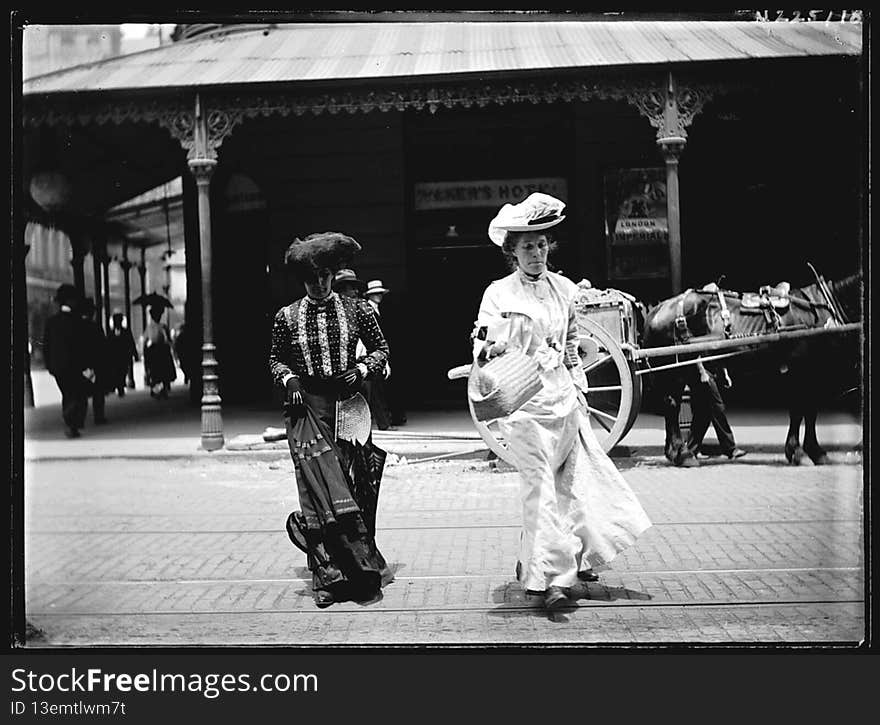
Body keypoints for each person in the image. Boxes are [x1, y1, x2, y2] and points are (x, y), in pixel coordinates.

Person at [473, 192, 652, 612]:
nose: (536, 253)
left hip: (563, 404)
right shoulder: (498, 294)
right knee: (539, 489)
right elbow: (481, 341)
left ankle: (543, 564)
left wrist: (578, 385)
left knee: (565, 488)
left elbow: (572, 344)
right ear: (511, 252)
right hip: (525, 407)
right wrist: (490, 351)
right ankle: (549, 581)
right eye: (526, 246)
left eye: (541, 244)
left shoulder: (566, 290)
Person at [269, 231, 394, 608]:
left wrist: (361, 369)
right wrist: (289, 380)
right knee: (316, 493)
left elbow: (382, 350)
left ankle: (363, 569)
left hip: (349, 407)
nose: (319, 283)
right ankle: (327, 576)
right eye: (311, 278)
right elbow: (276, 360)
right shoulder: (286, 317)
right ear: (302, 279)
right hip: (309, 409)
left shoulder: (358, 311)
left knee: (354, 486)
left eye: (324, 275)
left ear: (334, 273)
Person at [42, 284, 89, 438]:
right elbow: (83, 346)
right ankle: (72, 422)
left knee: (67, 393)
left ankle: (71, 422)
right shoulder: (78, 322)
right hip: (75, 366)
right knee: (76, 394)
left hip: (58, 367)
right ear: (70, 301)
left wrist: (49, 365)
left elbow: (46, 346)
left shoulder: (51, 322)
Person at [685, 361, 747, 460]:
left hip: (711, 372)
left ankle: (691, 450)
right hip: (702, 373)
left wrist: (725, 374)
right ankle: (730, 449)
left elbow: (718, 353)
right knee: (717, 409)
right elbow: (696, 353)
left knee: (703, 413)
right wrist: (702, 372)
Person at [362, 279, 394, 430]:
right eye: (376, 293)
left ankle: (383, 422)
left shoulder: (378, 309)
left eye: (380, 293)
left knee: (377, 390)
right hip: (370, 355)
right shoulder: (368, 310)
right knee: (375, 391)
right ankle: (383, 424)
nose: (379, 296)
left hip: (377, 353)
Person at [79, 298, 109, 424]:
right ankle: (99, 415)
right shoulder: (96, 327)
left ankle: (79, 418)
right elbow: (103, 346)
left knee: (81, 391)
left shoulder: (77, 327)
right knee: (98, 391)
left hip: (81, 363)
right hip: (96, 363)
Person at [142, 305, 177, 399]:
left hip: (162, 351)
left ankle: (163, 389)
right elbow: (146, 341)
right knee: (155, 372)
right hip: (154, 352)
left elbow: (168, 340)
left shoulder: (163, 327)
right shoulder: (150, 327)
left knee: (162, 372)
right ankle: (156, 388)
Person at [106, 313, 139, 396]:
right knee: (116, 372)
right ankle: (117, 386)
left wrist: (135, 354)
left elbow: (131, 343)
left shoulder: (126, 332)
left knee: (122, 372)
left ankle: (120, 387)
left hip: (123, 356)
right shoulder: (111, 333)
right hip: (114, 357)